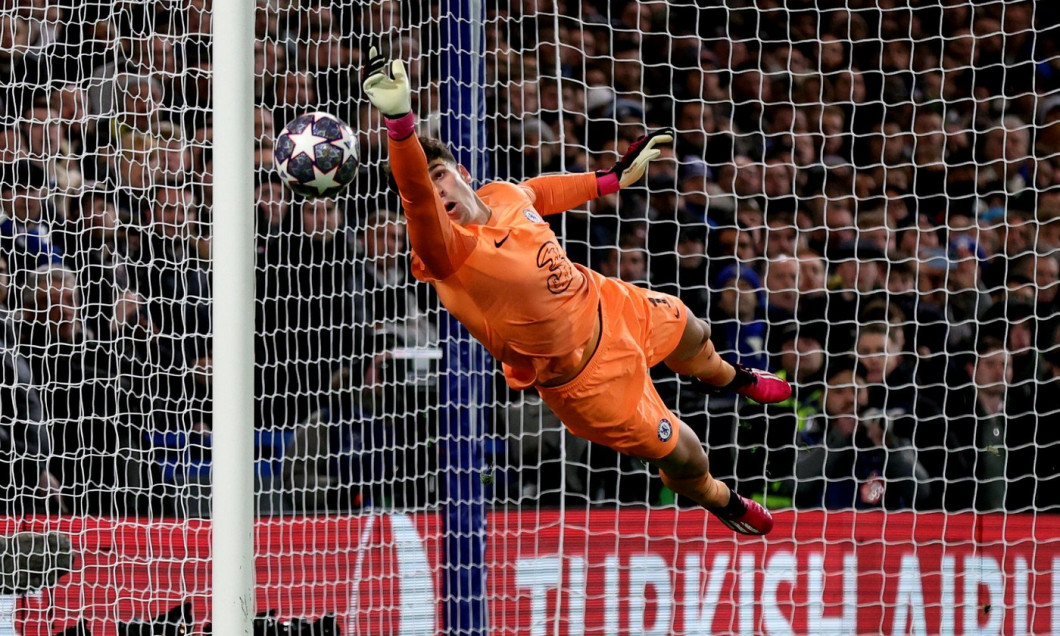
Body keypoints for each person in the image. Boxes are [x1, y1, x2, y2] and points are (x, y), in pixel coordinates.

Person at [363, 49, 791, 535]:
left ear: (461, 171)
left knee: (695, 330)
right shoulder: (446, 253)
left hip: (608, 304)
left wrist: (608, 180)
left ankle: (730, 378)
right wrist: (401, 125)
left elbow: (539, 193)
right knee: (688, 455)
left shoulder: (501, 194)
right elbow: (417, 198)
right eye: (428, 186)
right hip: (587, 382)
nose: (438, 194)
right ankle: (723, 500)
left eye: (441, 177)